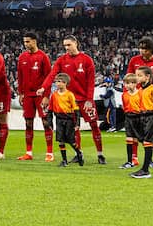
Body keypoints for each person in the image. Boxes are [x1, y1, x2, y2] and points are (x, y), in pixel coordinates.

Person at [40, 35, 105, 164]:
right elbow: (52, 74)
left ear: (76, 43)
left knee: (94, 126)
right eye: (65, 45)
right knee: (75, 128)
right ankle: (78, 153)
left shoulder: (86, 60)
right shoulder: (61, 60)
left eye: (69, 45)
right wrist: (43, 87)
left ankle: (100, 154)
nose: (67, 48)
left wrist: (89, 99)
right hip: (70, 101)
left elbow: (90, 82)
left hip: (85, 100)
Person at [126, 36, 153, 164]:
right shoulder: (134, 60)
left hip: (151, 99)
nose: (142, 51)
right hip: (136, 99)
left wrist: (143, 91)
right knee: (136, 129)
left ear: (151, 50)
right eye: (140, 48)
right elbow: (129, 78)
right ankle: (134, 158)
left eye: (145, 49)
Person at [16, 32, 54, 162]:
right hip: (27, 95)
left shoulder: (43, 57)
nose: (26, 44)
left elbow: (49, 77)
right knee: (28, 123)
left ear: (34, 41)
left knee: (46, 122)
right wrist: (20, 93)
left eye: (28, 42)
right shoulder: (22, 57)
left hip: (40, 95)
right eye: (24, 42)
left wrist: (46, 96)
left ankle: (49, 153)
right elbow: (20, 77)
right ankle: (28, 152)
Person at [50, 72, 85, 167]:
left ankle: (79, 153)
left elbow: (76, 109)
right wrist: (50, 121)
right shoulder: (54, 95)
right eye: (56, 81)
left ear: (65, 83)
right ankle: (64, 160)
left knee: (71, 141)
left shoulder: (70, 95)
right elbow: (51, 108)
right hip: (59, 119)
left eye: (59, 81)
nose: (57, 83)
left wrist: (77, 123)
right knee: (60, 140)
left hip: (68, 119)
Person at [119, 73, 141, 168]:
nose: (127, 85)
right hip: (128, 117)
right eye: (126, 83)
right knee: (129, 138)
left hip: (139, 117)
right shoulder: (124, 95)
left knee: (144, 140)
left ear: (135, 83)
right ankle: (130, 161)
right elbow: (124, 106)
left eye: (129, 83)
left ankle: (150, 161)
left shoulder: (141, 93)